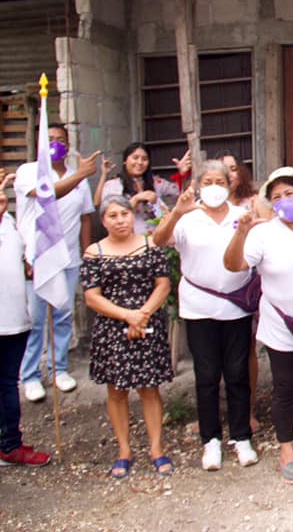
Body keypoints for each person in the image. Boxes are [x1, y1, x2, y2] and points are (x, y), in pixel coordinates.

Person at [223, 167, 293, 485]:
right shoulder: (263, 233)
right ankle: (287, 450)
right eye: (276, 197)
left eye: (290, 193)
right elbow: (234, 265)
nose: (284, 200)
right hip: (282, 327)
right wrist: (241, 233)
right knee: (286, 389)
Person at [153, 160, 259, 471]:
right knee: (207, 375)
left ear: (229, 184)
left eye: (219, 181)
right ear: (198, 185)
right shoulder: (188, 217)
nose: (214, 187)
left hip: (236, 305)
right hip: (199, 307)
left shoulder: (241, 215)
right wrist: (176, 212)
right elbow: (159, 240)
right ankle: (210, 440)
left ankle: (241, 437)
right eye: (208, 181)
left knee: (238, 373)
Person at [81, 196, 175, 478]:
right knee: (116, 391)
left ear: (132, 215)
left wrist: (142, 315)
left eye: (124, 214)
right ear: (103, 220)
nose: (120, 220)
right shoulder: (94, 252)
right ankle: (124, 450)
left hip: (147, 323)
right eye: (113, 215)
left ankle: (156, 448)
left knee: (149, 389)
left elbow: (163, 285)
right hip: (112, 329)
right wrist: (127, 316)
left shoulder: (150, 245)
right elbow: (92, 297)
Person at [14, 123, 99, 402]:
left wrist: (86, 254)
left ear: (68, 144)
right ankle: (30, 375)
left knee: (62, 315)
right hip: (37, 257)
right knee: (36, 319)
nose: (55, 144)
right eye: (49, 139)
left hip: (68, 258)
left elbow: (86, 217)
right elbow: (47, 193)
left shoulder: (78, 178)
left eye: (60, 140)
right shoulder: (29, 172)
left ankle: (58, 368)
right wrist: (82, 174)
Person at [0, 171, 51, 466]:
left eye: (2, 195)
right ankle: (9, 444)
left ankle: (9, 442)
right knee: (5, 386)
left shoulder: (9, 223)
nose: (2, 199)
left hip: (15, 318)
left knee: (8, 383)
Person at [215, 149, 266, 433]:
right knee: (213, 354)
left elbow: (270, 231)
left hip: (245, 285)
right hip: (214, 288)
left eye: (233, 168)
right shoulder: (204, 205)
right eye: (223, 170)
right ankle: (215, 412)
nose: (229, 174)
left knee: (246, 350)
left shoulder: (253, 201)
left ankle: (248, 410)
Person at [95, 142, 185, 235]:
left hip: (155, 238)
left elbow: (183, 194)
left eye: (144, 159)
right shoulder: (113, 185)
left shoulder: (156, 182)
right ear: (125, 160)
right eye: (135, 158)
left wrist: (183, 174)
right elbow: (110, 212)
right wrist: (136, 199)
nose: (140, 162)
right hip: (126, 239)